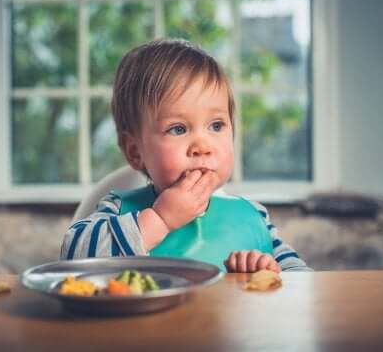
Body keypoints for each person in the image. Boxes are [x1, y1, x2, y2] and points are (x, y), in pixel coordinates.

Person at [61, 39, 311, 273]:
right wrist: (159, 219)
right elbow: (72, 258)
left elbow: (303, 282)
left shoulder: (253, 216)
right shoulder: (117, 209)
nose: (203, 146)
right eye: (178, 129)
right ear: (135, 151)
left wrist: (270, 272)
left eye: (216, 125)